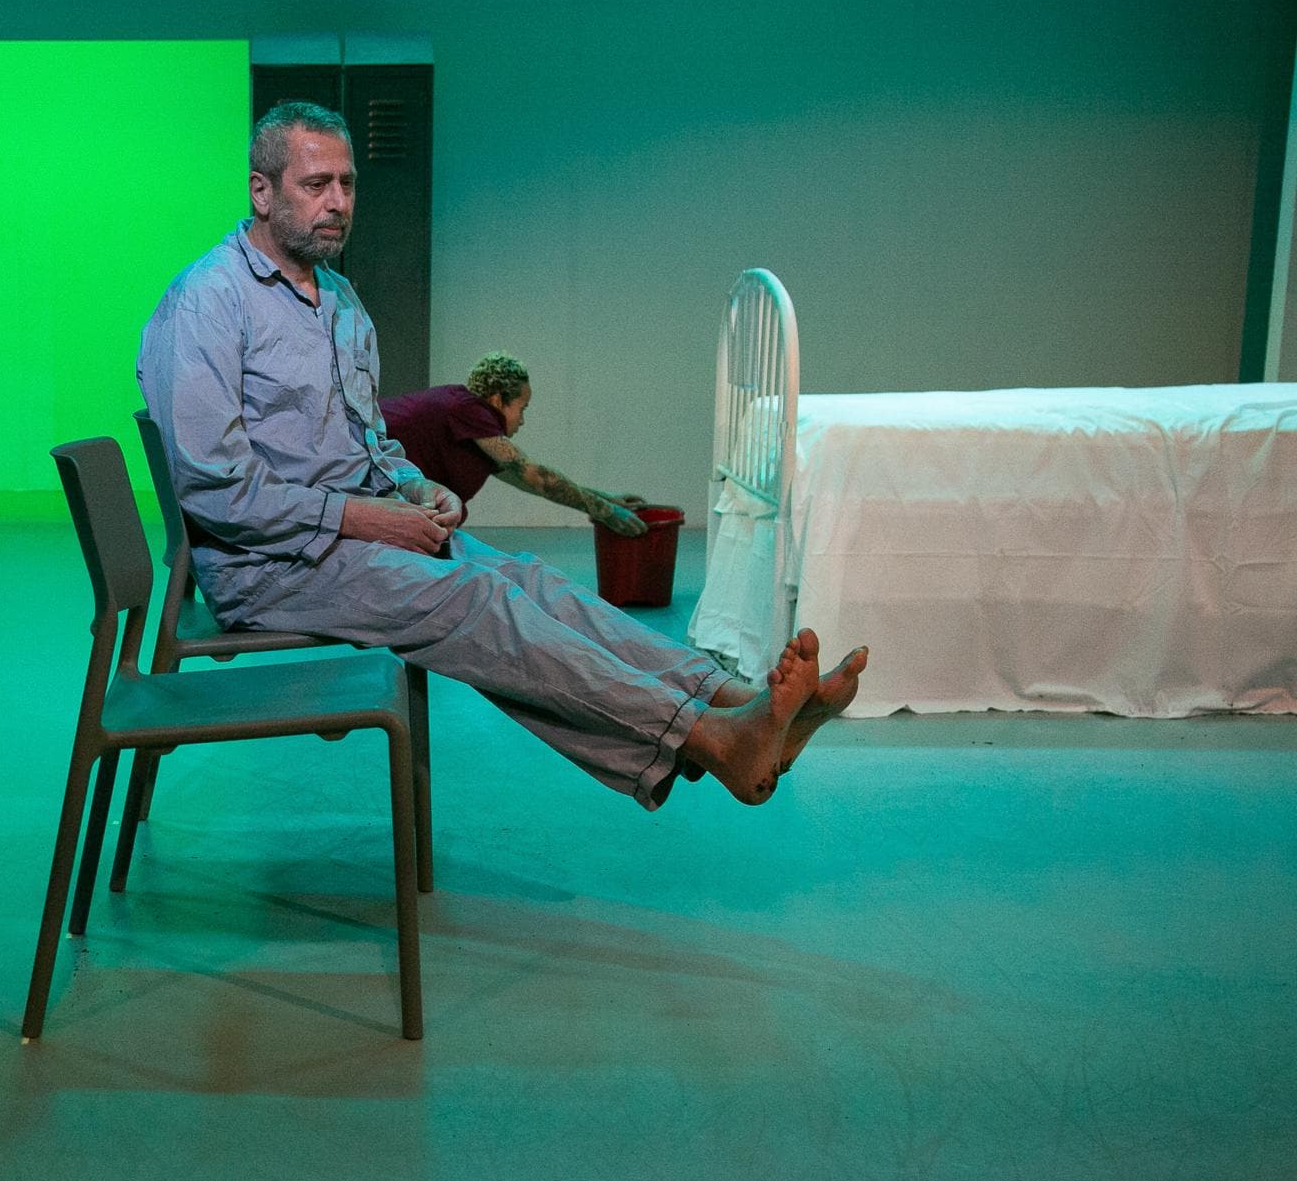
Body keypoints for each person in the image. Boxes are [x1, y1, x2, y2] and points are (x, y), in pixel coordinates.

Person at [137, 101, 866, 810]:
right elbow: (217, 493)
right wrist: (367, 519)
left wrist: (417, 489)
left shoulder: (339, 302)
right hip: (269, 565)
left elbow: (371, 443)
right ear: (261, 192)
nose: (338, 202)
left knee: (527, 578)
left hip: (350, 540)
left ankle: (737, 702)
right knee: (479, 600)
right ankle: (710, 736)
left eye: (347, 183)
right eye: (315, 184)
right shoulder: (207, 304)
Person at [381, 353, 649, 534]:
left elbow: (530, 482)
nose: (522, 421)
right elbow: (537, 477)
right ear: (498, 400)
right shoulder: (470, 410)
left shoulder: (472, 428)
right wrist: (605, 512)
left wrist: (606, 499)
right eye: (522, 408)